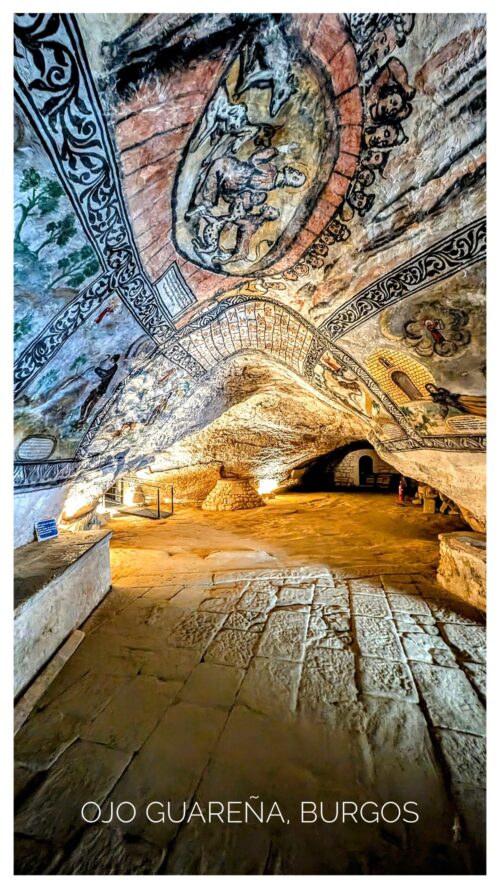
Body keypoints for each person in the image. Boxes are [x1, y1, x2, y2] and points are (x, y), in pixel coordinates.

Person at [75, 354, 120, 427]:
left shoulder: (114, 368)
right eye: (111, 360)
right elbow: (103, 373)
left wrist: (97, 368)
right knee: (86, 403)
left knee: (90, 404)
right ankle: (81, 418)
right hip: (98, 389)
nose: (110, 362)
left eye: (112, 361)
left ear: (114, 361)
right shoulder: (112, 367)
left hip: (100, 390)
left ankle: (83, 420)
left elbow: (105, 375)